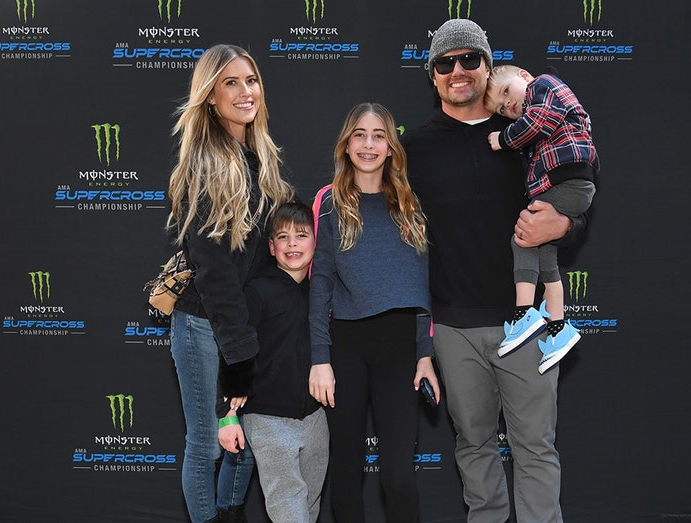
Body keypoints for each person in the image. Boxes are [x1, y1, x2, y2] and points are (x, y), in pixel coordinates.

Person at [400, 19, 588, 522]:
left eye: (470, 60)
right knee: (474, 446)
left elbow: (573, 193)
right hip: (454, 327)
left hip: (523, 325)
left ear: (488, 68)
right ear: (433, 75)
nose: (458, 71)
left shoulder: (527, 133)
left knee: (535, 448)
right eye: (446, 63)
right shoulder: (412, 148)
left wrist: (565, 224)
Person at [166, 43, 295, 523]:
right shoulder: (205, 163)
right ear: (210, 96)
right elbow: (214, 270)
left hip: (241, 324)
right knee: (207, 446)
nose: (246, 92)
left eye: (251, 80)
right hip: (204, 325)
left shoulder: (258, 156)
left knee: (243, 439)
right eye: (231, 83)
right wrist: (240, 351)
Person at [308, 102, 439, 523]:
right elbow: (320, 283)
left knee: (398, 475)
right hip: (345, 344)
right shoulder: (328, 202)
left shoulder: (409, 201)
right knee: (345, 470)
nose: (369, 144)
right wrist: (320, 360)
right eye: (360, 135)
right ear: (346, 144)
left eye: (379, 135)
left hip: (400, 346)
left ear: (390, 145)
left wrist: (425, 353)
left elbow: (421, 286)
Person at [484, 64, 599, 373]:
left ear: (523, 75)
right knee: (545, 253)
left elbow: (538, 122)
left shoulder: (543, 86)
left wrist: (503, 139)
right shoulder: (534, 108)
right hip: (570, 183)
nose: (509, 106)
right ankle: (559, 328)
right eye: (502, 108)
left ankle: (525, 314)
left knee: (522, 237)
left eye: (506, 92)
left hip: (569, 181)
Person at [232, 202, 329, 523]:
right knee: (287, 503)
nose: (292, 244)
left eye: (301, 236)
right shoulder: (257, 292)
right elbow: (236, 347)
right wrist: (229, 412)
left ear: (316, 241)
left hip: (316, 418)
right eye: (283, 238)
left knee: (309, 504)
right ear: (271, 247)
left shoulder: (322, 293)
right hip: (268, 417)